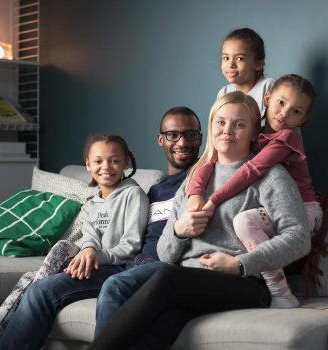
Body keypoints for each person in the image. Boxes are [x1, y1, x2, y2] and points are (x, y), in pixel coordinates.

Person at [88, 91, 311, 350]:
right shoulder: (194, 179)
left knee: (166, 278)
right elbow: (166, 254)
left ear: (253, 133)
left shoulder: (271, 176)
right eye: (220, 122)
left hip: (247, 283)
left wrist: (240, 264)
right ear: (211, 125)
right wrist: (178, 231)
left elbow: (299, 237)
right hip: (188, 282)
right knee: (159, 330)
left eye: (239, 124)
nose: (227, 130)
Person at [0, 134, 149, 350]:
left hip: (117, 268)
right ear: (88, 164)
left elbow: (132, 246)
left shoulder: (133, 195)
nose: (106, 166)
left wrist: (97, 254)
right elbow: (90, 238)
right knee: (32, 279)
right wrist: (89, 248)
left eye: (114, 160)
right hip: (90, 265)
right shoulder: (90, 205)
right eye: (98, 161)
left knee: (38, 286)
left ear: (126, 162)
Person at [187, 74, 322, 308]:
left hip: (303, 210)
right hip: (271, 209)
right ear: (267, 98)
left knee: (243, 221)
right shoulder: (252, 130)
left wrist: (213, 200)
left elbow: (252, 169)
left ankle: (281, 293)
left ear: (303, 119)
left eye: (296, 111)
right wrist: (196, 193)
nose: (284, 113)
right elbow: (209, 160)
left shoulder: (287, 137)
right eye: (281, 103)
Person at [93, 107, 203, 336]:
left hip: (166, 267)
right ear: (161, 139)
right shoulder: (153, 191)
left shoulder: (203, 179)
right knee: (45, 288)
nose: (182, 142)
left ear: (200, 138)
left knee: (114, 287)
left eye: (190, 134)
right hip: (132, 263)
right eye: (173, 135)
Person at [218, 27, 275, 116]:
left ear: (258, 64)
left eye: (240, 58)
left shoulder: (267, 86)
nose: (230, 65)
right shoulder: (224, 93)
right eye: (226, 58)